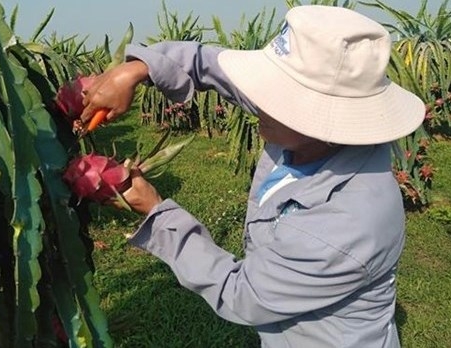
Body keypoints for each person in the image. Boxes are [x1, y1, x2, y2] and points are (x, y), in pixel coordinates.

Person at [80, 5, 424, 348]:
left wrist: (158, 212)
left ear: (321, 118)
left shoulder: (345, 225)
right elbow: (212, 66)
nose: (258, 101)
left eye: (275, 95)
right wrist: (138, 69)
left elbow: (242, 294)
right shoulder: (310, 133)